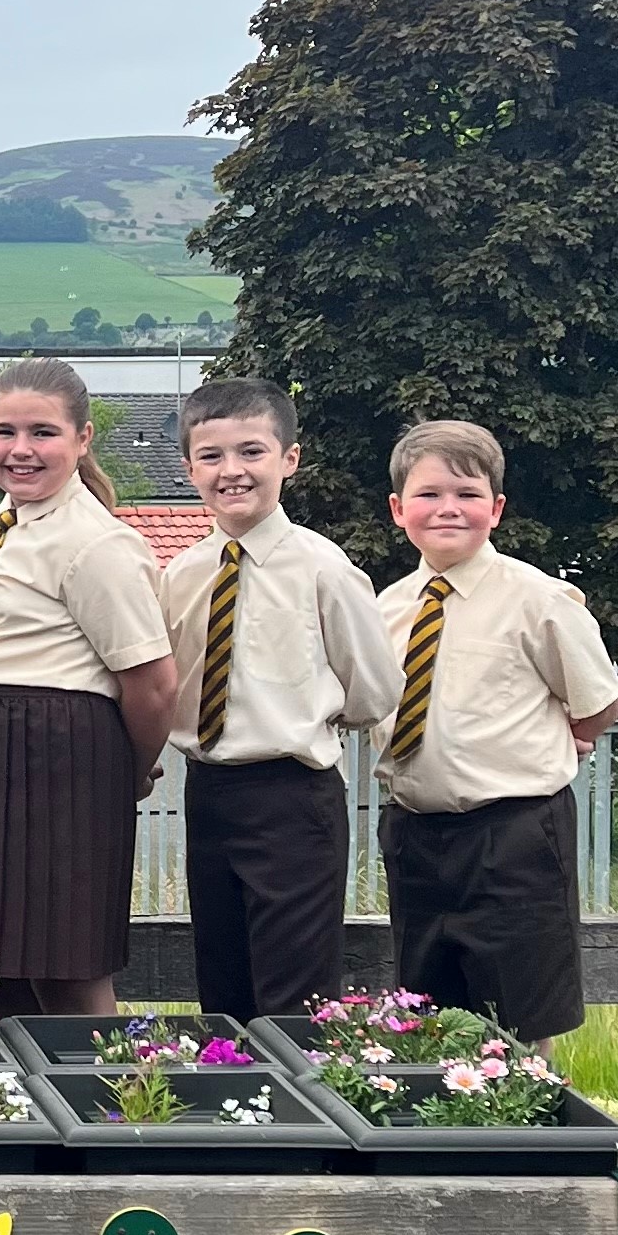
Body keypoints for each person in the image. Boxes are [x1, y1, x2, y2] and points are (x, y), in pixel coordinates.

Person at [0, 356, 177, 1016]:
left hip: (57, 762)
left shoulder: (96, 543)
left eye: (42, 432)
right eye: (3, 431)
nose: (20, 450)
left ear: (82, 439)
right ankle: (6, 1111)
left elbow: (151, 685)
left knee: (65, 960)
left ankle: (108, 1108)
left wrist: (130, 772)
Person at [374, 420, 618, 1042]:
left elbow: (596, 704)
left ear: (497, 508)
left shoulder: (539, 600)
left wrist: (550, 741)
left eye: (467, 493)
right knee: (428, 1019)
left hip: (513, 834)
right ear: (399, 509)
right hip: (416, 833)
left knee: (519, 1017)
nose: (448, 508)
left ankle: (528, 1133)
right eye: (429, 495)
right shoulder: (387, 609)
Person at [164, 378, 404, 1019]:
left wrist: (305, 717)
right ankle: (233, 1108)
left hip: (291, 796)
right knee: (222, 979)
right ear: (188, 467)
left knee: (295, 992)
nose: (231, 471)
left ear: (289, 460)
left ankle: (296, 1116)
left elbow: (375, 688)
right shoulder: (183, 575)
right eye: (210, 456)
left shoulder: (324, 569)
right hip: (208, 791)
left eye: (252, 452)